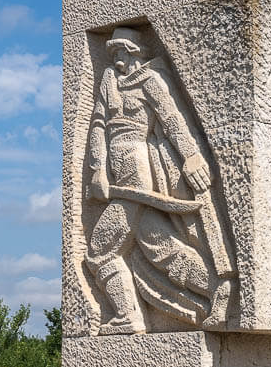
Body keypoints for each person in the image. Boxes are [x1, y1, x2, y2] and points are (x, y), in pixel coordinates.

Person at [84, 26, 231, 334]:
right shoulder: (109, 81)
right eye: (112, 54)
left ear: (134, 51)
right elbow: (98, 124)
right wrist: (97, 169)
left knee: (99, 250)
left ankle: (128, 316)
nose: (116, 60)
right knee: (162, 247)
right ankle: (216, 289)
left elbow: (173, 119)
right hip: (114, 175)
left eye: (121, 53)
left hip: (136, 173)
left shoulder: (150, 80)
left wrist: (190, 156)